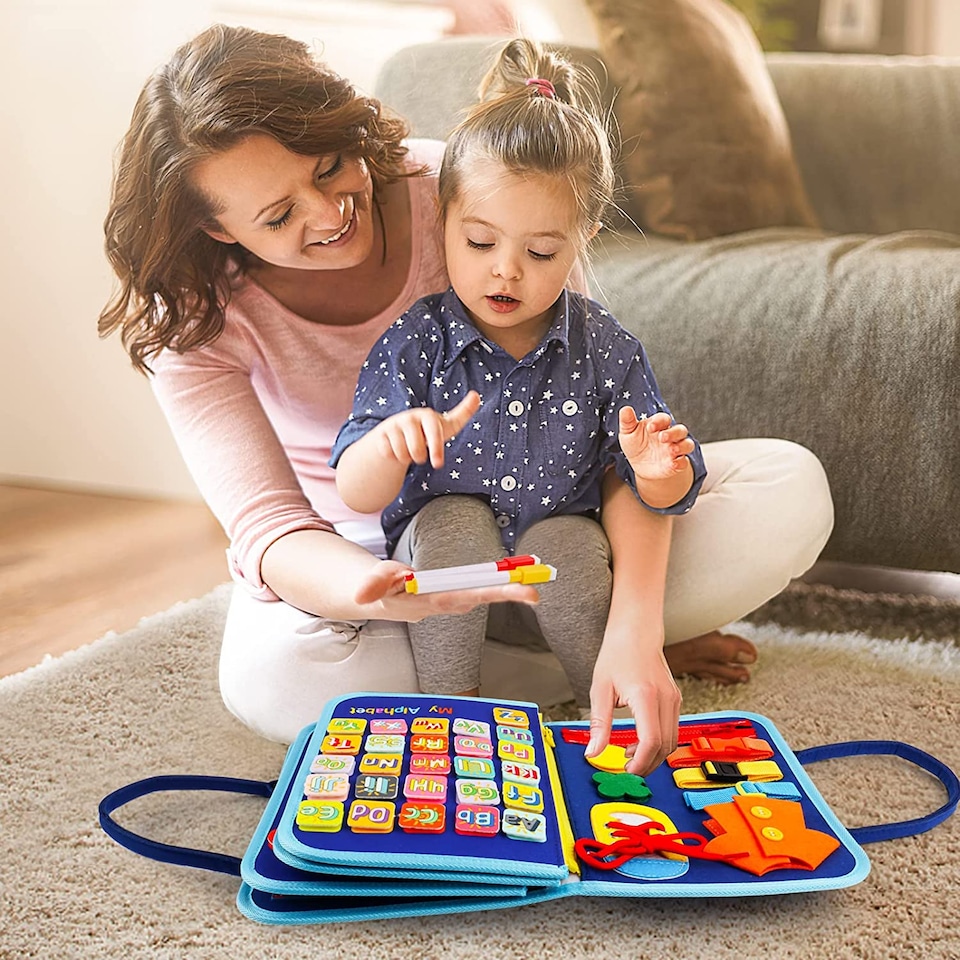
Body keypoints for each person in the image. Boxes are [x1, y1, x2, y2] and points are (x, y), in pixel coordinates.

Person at [99, 25, 833, 773]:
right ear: (214, 227)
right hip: (367, 552)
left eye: (328, 168)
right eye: (279, 217)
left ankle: (597, 646)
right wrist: (374, 592)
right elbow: (271, 530)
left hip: (560, 528)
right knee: (278, 682)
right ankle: (535, 668)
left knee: (791, 487)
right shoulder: (190, 323)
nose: (327, 214)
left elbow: (601, 436)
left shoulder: (472, 193)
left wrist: (636, 628)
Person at [330, 38, 710, 772]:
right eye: (479, 242)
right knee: (453, 527)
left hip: (551, 563)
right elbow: (354, 486)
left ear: (582, 240)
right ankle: (454, 717)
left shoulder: (605, 346)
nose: (505, 270)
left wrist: (658, 471)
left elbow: (661, 493)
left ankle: (597, 712)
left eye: (540, 253)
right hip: (446, 582)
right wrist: (392, 442)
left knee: (571, 543)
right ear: (443, 220)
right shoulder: (417, 340)